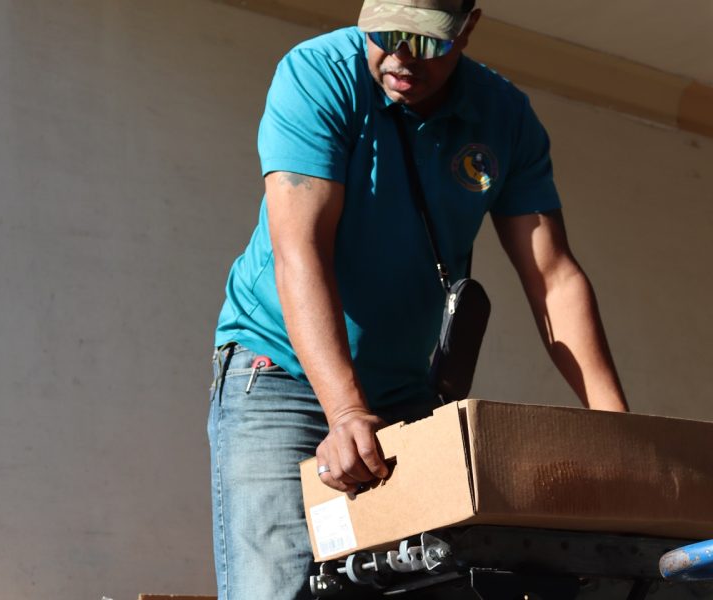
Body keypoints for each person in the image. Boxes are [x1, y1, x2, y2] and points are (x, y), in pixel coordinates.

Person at [208, 0, 629, 598]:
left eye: (427, 40)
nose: (403, 57)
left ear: (468, 27)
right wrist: (346, 413)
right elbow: (299, 251)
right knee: (280, 587)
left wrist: (617, 435)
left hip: (405, 391)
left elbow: (553, 277)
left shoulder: (504, 116)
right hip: (280, 374)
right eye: (386, 34)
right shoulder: (316, 74)